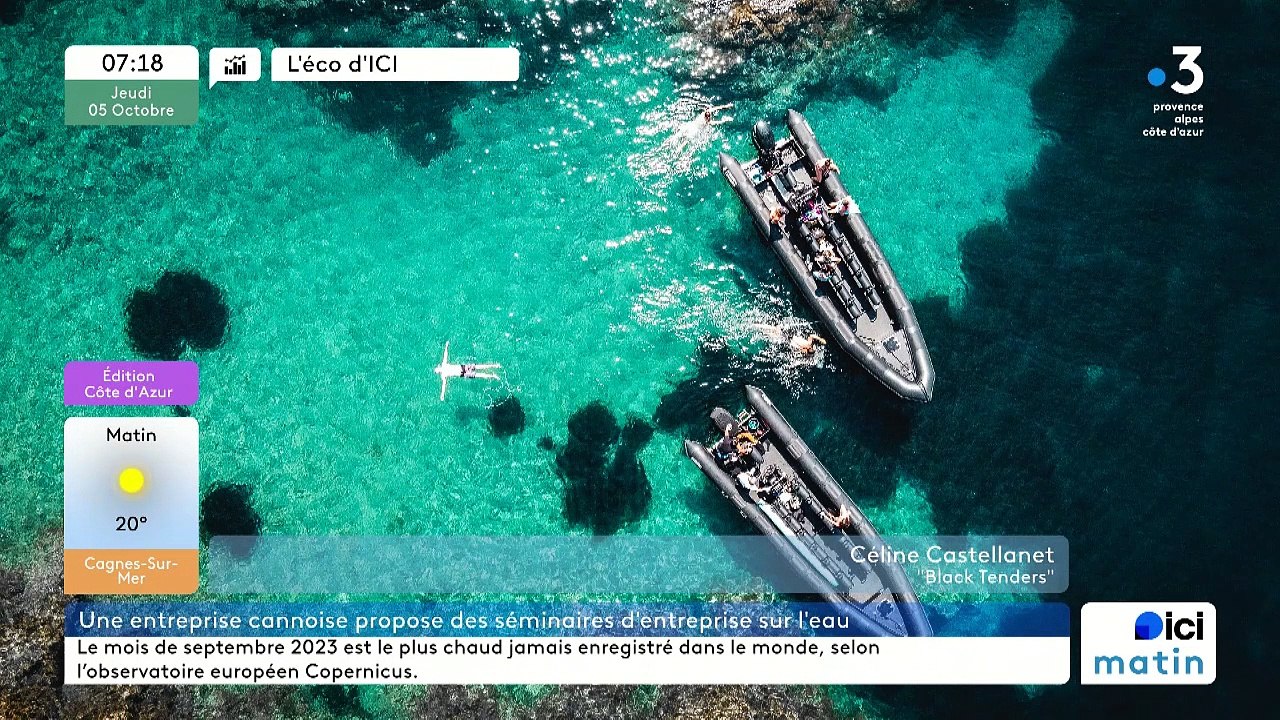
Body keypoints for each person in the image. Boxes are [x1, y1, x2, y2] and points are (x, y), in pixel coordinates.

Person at [433, 342, 501, 399]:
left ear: (439, 366)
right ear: (438, 372)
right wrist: (442, 394)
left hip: (462, 368)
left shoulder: (444, 364)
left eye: (437, 369)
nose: (438, 370)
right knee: (478, 375)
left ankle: (495, 366)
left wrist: (446, 346)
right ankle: (493, 376)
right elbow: (444, 385)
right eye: (437, 371)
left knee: (479, 367)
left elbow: (445, 355)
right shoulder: (443, 375)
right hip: (462, 374)